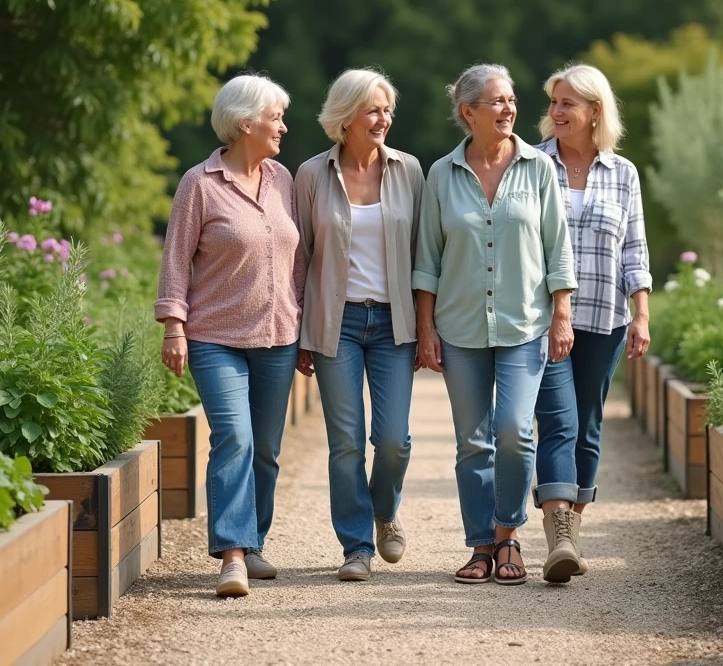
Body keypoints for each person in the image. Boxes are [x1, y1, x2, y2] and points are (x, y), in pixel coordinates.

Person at [413, 63, 576, 586]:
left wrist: (562, 315)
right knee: (472, 441)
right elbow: (427, 260)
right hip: (458, 325)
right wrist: (425, 329)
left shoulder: (538, 169)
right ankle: (481, 545)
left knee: (513, 430)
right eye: (498, 102)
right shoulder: (442, 174)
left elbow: (558, 249)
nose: (510, 109)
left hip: (525, 323)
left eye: (511, 100)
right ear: (468, 112)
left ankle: (509, 536)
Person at [156, 74, 303, 598]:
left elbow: (297, 261)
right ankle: (233, 555)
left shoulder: (283, 179)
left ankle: (254, 540)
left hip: (278, 336)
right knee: (234, 438)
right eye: (275, 118)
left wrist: (304, 325)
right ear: (246, 124)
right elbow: (175, 259)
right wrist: (174, 327)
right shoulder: (199, 184)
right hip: (214, 337)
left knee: (264, 447)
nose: (283, 126)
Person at [294, 68, 424, 582]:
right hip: (336, 324)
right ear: (345, 118)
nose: (383, 118)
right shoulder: (311, 175)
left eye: (387, 109)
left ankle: (385, 509)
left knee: (393, 440)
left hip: (394, 321)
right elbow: (300, 255)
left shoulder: (409, 170)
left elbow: (422, 254)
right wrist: (303, 331)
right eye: (373, 110)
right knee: (345, 440)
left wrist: (426, 326)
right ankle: (356, 546)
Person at [532, 64, 652, 582]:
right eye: (554, 103)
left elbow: (635, 250)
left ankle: (571, 534)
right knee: (557, 420)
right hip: (543, 318)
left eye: (568, 104)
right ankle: (557, 535)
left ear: (595, 111)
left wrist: (641, 313)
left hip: (605, 316)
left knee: (588, 425)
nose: (557, 112)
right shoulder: (531, 164)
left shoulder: (623, 173)